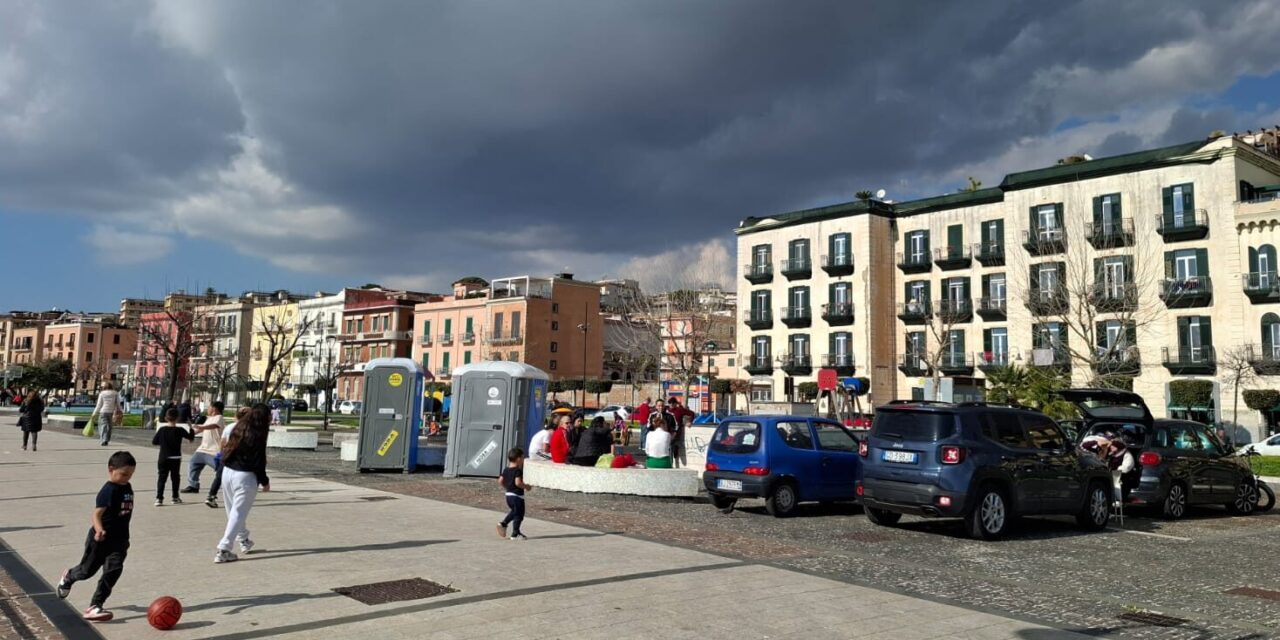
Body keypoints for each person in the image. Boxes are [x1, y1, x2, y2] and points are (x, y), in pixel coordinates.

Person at [55, 450, 136, 622]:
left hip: (120, 540)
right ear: (111, 469)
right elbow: (96, 514)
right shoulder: (108, 490)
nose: (126, 478)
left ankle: (95, 605)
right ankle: (69, 576)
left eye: (130, 474)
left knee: (113, 570)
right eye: (123, 474)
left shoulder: (126, 487)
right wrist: (99, 530)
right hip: (100, 539)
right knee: (86, 571)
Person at [215, 404, 271, 564]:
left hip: (228, 472)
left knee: (232, 511)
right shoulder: (258, 433)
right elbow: (259, 461)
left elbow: (227, 447)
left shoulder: (239, 426)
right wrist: (264, 481)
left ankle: (244, 539)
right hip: (245, 477)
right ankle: (224, 549)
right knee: (237, 513)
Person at [207, 406, 251, 509]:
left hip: (226, 454)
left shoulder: (229, 426)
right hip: (240, 458)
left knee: (219, 476)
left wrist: (221, 453)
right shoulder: (248, 428)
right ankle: (236, 497)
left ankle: (211, 495)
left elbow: (222, 442)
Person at [151, 409, 194, 506]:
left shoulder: (162, 430)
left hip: (163, 457)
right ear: (177, 418)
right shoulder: (180, 430)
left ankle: (159, 498)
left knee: (162, 477)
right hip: (175, 457)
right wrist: (191, 427)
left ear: (166, 418)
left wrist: (163, 442)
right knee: (175, 477)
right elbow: (191, 438)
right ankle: (175, 497)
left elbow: (154, 442)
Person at [183, 401, 225, 494]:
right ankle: (193, 486)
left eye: (209, 407)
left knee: (221, 469)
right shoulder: (209, 418)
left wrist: (199, 425)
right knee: (193, 463)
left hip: (214, 451)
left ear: (214, 408)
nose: (208, 409)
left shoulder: (219, 418)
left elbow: (213, 426)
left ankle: (230, 482)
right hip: (202, 449)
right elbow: (201, 429)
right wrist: (191, 434)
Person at [495, 447, 529, 540]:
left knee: (516, 513)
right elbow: (518, 483)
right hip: (517, 496)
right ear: (518, 459)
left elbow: (500, 481)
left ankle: (509, 529)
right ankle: (509, 528)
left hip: (509, 495)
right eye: (522, 458)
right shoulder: (517, 470)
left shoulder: (506, 469)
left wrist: (507, 488)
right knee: (517, 513)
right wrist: (526, 487)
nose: (523, 460)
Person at [91, 383, 123, 447]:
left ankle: (104, 440)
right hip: (111, 412)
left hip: (103, 412)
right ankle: (107, 439)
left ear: (104, 387)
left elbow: (99, 405)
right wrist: (121, 411)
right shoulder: (115, 393)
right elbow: (118, 403)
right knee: (109, 426)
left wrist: (94, 413)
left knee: (103, 426)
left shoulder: (102, 394)